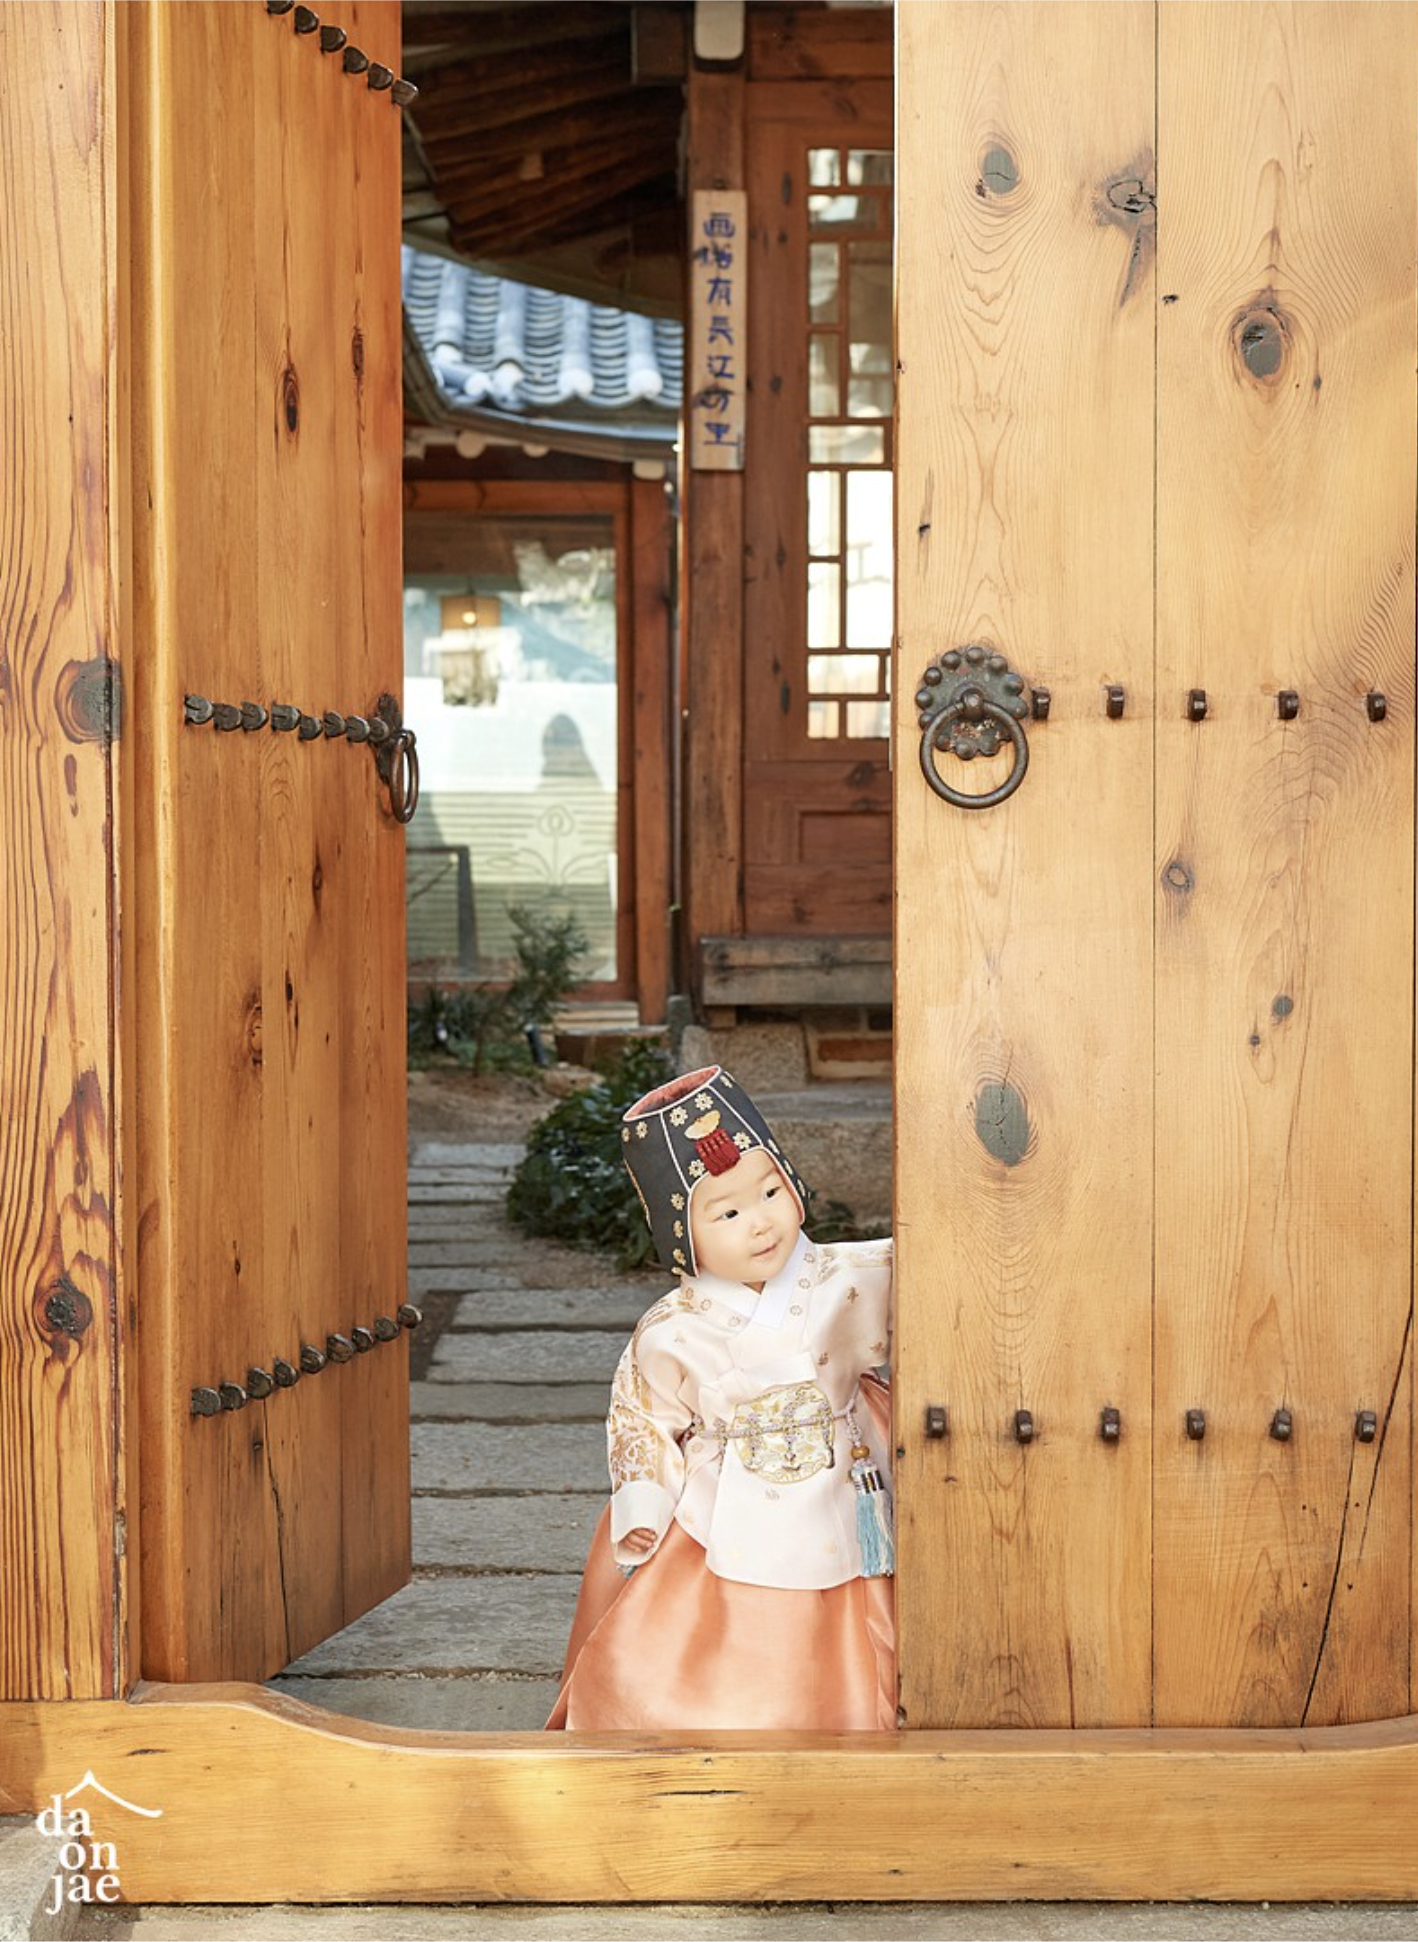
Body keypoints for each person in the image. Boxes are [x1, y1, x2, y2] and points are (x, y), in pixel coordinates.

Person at [547, 1064, 895, 1731]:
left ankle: (851, 1714)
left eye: (770, 1191)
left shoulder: (852, 1275)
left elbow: (933, 1290)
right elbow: (642, 1417)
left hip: (848, 1466)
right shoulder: (673, 1328)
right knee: (737, 1616)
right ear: (681, 1233)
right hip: (729, 1486)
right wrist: (643, 1498)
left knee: (856, 1598)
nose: (760, 1224)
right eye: (728, 1213)